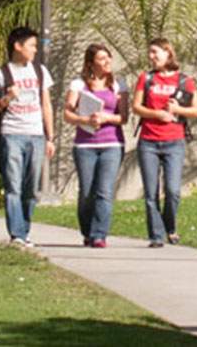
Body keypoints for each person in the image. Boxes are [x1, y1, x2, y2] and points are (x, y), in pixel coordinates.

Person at [0, 27, 56, 248]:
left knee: (31, 188)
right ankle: (16, 234)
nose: (35, 50)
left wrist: (50, 137)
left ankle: (24, 231)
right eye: (32, 45)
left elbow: (46, 105)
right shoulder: (1, 74)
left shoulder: (40, 71)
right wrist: (7, 98)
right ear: (18, 46)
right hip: (12, 134)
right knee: (13, 186)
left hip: (36, 135)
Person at [132, 38, 197, 247]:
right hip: (149, 141)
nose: (152, 57)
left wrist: (177, 110)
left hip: (174, 141)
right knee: (150, 192)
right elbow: (136, 107)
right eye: (150, 53)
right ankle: (156, 235)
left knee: (173, 191)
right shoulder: (146, 78)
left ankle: (169, 227)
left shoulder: (184, 81)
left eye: (155, 52)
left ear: (167, 53)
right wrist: (156, 114)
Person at [63, 44, 129, 248]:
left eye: (108, 58)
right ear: (91, 63)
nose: (107, 62)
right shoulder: (78, 85)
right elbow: (67, 113)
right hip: (85, 145)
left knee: (105, 191)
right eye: (102, 59)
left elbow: (124, 117)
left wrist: (106, 117)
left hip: (112, 144)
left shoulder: (119, 85)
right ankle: (87, 231)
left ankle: (99, 235)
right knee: (86, 192)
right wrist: (85, 120)